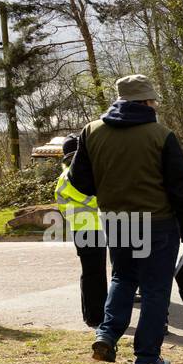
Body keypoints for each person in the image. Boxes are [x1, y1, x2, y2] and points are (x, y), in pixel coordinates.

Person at [70, 73, 183, 364]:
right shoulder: (161, 134)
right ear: (148, 101)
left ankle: (107, 335)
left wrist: (110, 184)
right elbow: (180, 187)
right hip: (157, 222)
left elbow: (80, 181)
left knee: (122, 278)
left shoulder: (91, 132)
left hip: (117, 220)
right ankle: (146, 358)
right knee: (155, 289)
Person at [54, 134, 106, 329]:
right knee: (95, 274)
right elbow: (95, 199)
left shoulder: (64, 177)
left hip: (81, 229)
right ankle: (96, 316)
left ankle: (92, 314)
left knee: (91, 273)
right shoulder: (75, 176)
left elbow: (64, 207)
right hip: (91, 228)